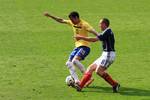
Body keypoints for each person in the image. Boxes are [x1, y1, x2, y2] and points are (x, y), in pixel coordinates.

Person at [44, 11, 98, 85]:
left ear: (76, 17)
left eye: (72, 19)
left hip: (85, 46)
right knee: (68, 63)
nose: (72, 21)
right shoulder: (72, 22)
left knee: (75, 61)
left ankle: (88, 78)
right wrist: (50, 16)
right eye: (71, 20)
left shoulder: (84, 24)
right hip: (78, 47)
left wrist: (100, 36)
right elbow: (61, 20)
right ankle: (77, 81)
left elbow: (92, 30)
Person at [74, 18, 120, 92]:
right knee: (90, 68)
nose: (99, 25)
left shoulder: (107, 31)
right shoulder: (106, 31)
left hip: (109, 55)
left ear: (104, 24)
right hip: (104, 54)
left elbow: (94, 40)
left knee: (99, 71)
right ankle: (80, 86)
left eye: (100, 24)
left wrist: (81, 37)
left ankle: (115, 85)